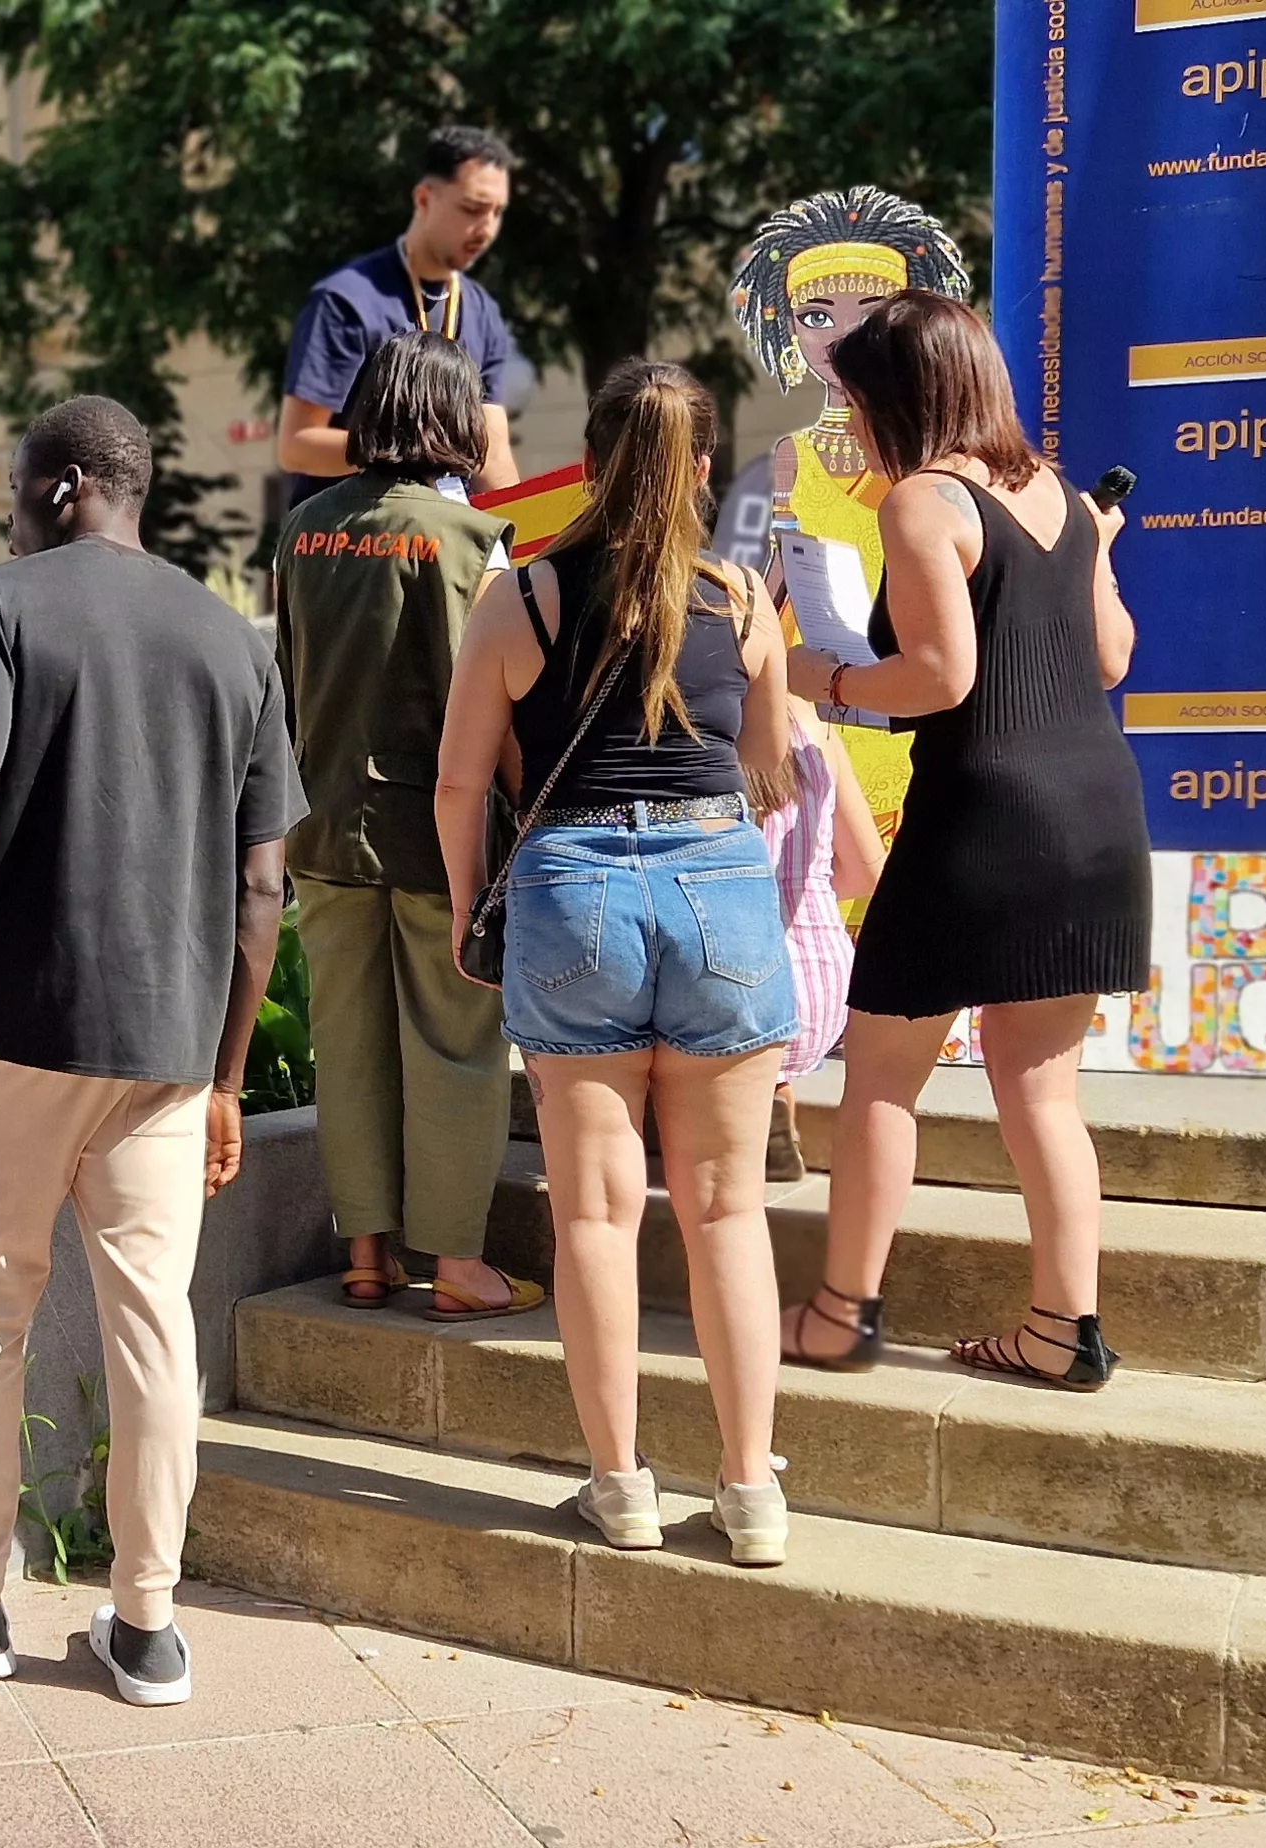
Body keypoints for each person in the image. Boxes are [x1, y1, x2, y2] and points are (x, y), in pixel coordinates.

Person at [0, 395, 301, 1706]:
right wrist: (226, 1075)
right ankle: (148, 1626)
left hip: (9, 1028)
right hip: (166, 1049)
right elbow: (264, 887)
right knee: (154, 1330)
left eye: (15, 487)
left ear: (60, 488)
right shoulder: (230, 641)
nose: (7, 514)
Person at [435, 361, 799, 1567]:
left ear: (588, 464)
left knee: (593, 1212)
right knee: (726, 1207)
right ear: (701, 469)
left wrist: (467, 913)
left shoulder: (521, 597)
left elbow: (458, 781)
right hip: (717, 885)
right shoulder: (740, 599)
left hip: (570, 887)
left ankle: (620, 1484)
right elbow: (767, 770)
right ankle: (748, 1493)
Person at [779, 292, 1148, 1392]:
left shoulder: (922, 501)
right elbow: (1111, 659)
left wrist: (816, 676)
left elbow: (941, 679)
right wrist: (1096, 556)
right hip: (1096, 813)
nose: (852, 418)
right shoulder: (1063, 496)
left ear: (900, 396)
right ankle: (1062, 1328)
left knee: (882, 1077)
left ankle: (841, 1315)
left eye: (856, 397)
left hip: (983, 811)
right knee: (1042, 1091)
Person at [271, 332, 528, 1319]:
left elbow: (286, 679)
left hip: (323, 825)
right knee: (455, 1043)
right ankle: (456, 1263)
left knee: (347, 1044)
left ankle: (367, 1255)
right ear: (456, 417)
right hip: (439, 834)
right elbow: (497, 700)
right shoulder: (470, 539)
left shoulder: (302, 531)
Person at [725, 188, 973, 877]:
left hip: (915, 696)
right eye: (816, 315)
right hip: (818, 703)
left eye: (871, 313)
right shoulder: (791, 457)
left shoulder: (940, 462)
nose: (841, 336)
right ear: (789, 329)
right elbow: (772, 585)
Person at [278, 125, 526, 504]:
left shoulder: (481, 311)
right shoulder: (346, 301)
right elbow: (296, 446)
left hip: (446, 532)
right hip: (352, 532)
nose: (487, 229)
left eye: (497, 212)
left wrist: (521, 525)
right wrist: (407, 456)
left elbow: (492, 457)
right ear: (424, 199)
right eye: (473, 209)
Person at [750, 691, 885, 1180]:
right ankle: (773, 1101)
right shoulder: (812, 723)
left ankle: (749, 1114)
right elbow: (868, 873)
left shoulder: (690, 715)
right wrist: (810, 893)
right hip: (822, 985)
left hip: (739, 985)